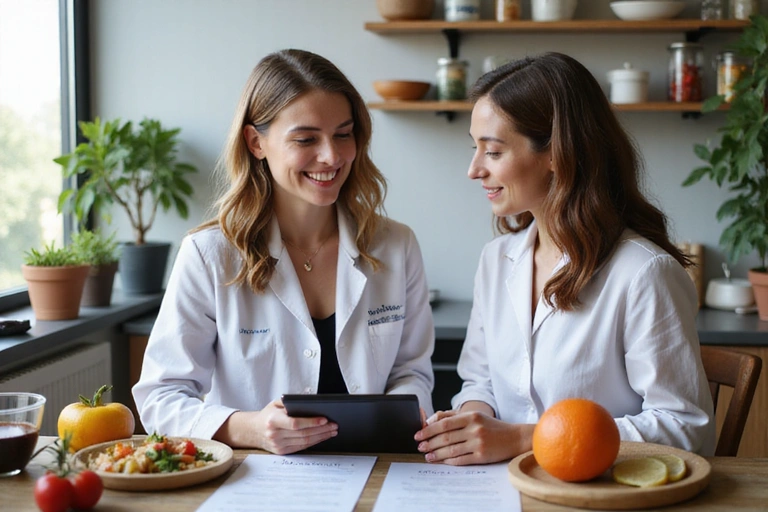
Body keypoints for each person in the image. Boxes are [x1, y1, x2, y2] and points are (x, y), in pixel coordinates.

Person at [414, 52, 715, 465]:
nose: (473, 169)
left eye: (494, 152)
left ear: (558, 155)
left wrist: (526, 439)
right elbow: (479, 381)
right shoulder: (496, 259)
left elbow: (684, 426)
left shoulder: (644, 272)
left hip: (598, 497)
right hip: (501, 486)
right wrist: (474, 422)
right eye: (475, 148)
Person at [133, 49, 435, 455]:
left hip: (380, 467)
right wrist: (250, 428)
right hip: (257, 478)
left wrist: (407, 412)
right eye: (306, 139)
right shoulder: (209, 256)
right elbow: (161, 397)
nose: (331, 156)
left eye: (343, 134)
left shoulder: (396, 246)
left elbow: (411, 373)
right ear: (256, 142)